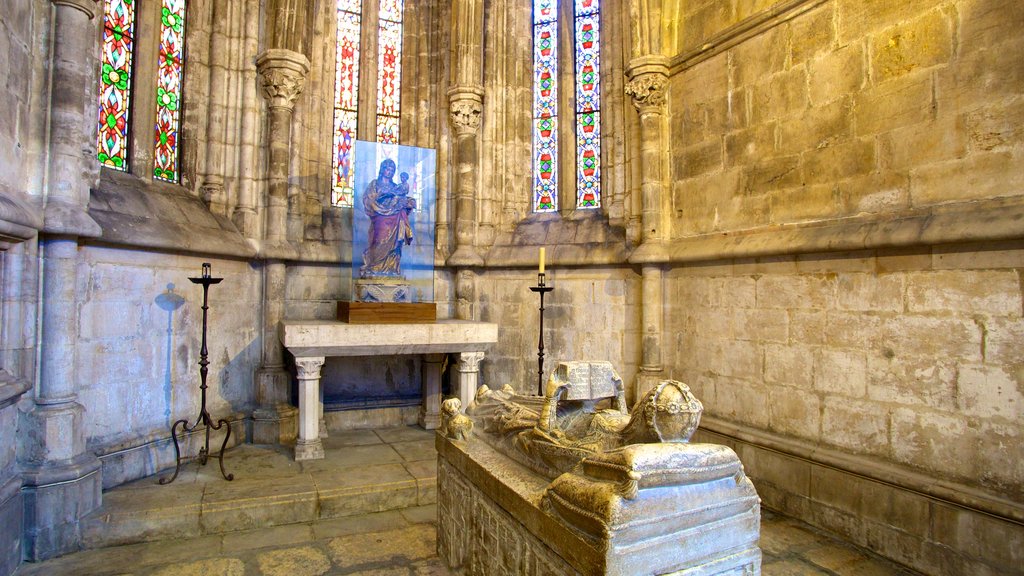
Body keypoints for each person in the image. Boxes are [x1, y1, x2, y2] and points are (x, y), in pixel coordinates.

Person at [360, 158, 416, 278]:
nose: (389, 172)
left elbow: (401, 200)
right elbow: (368, 199)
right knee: (379, 240)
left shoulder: (396, 186)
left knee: (395, 244)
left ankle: (391, 269)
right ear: (382, 170)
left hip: (395, 218)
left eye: (392, 170)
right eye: (387, 169)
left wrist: (407, 203)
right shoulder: (374, 184)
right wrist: (380, 203)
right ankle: (374, 267)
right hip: (380, 218)